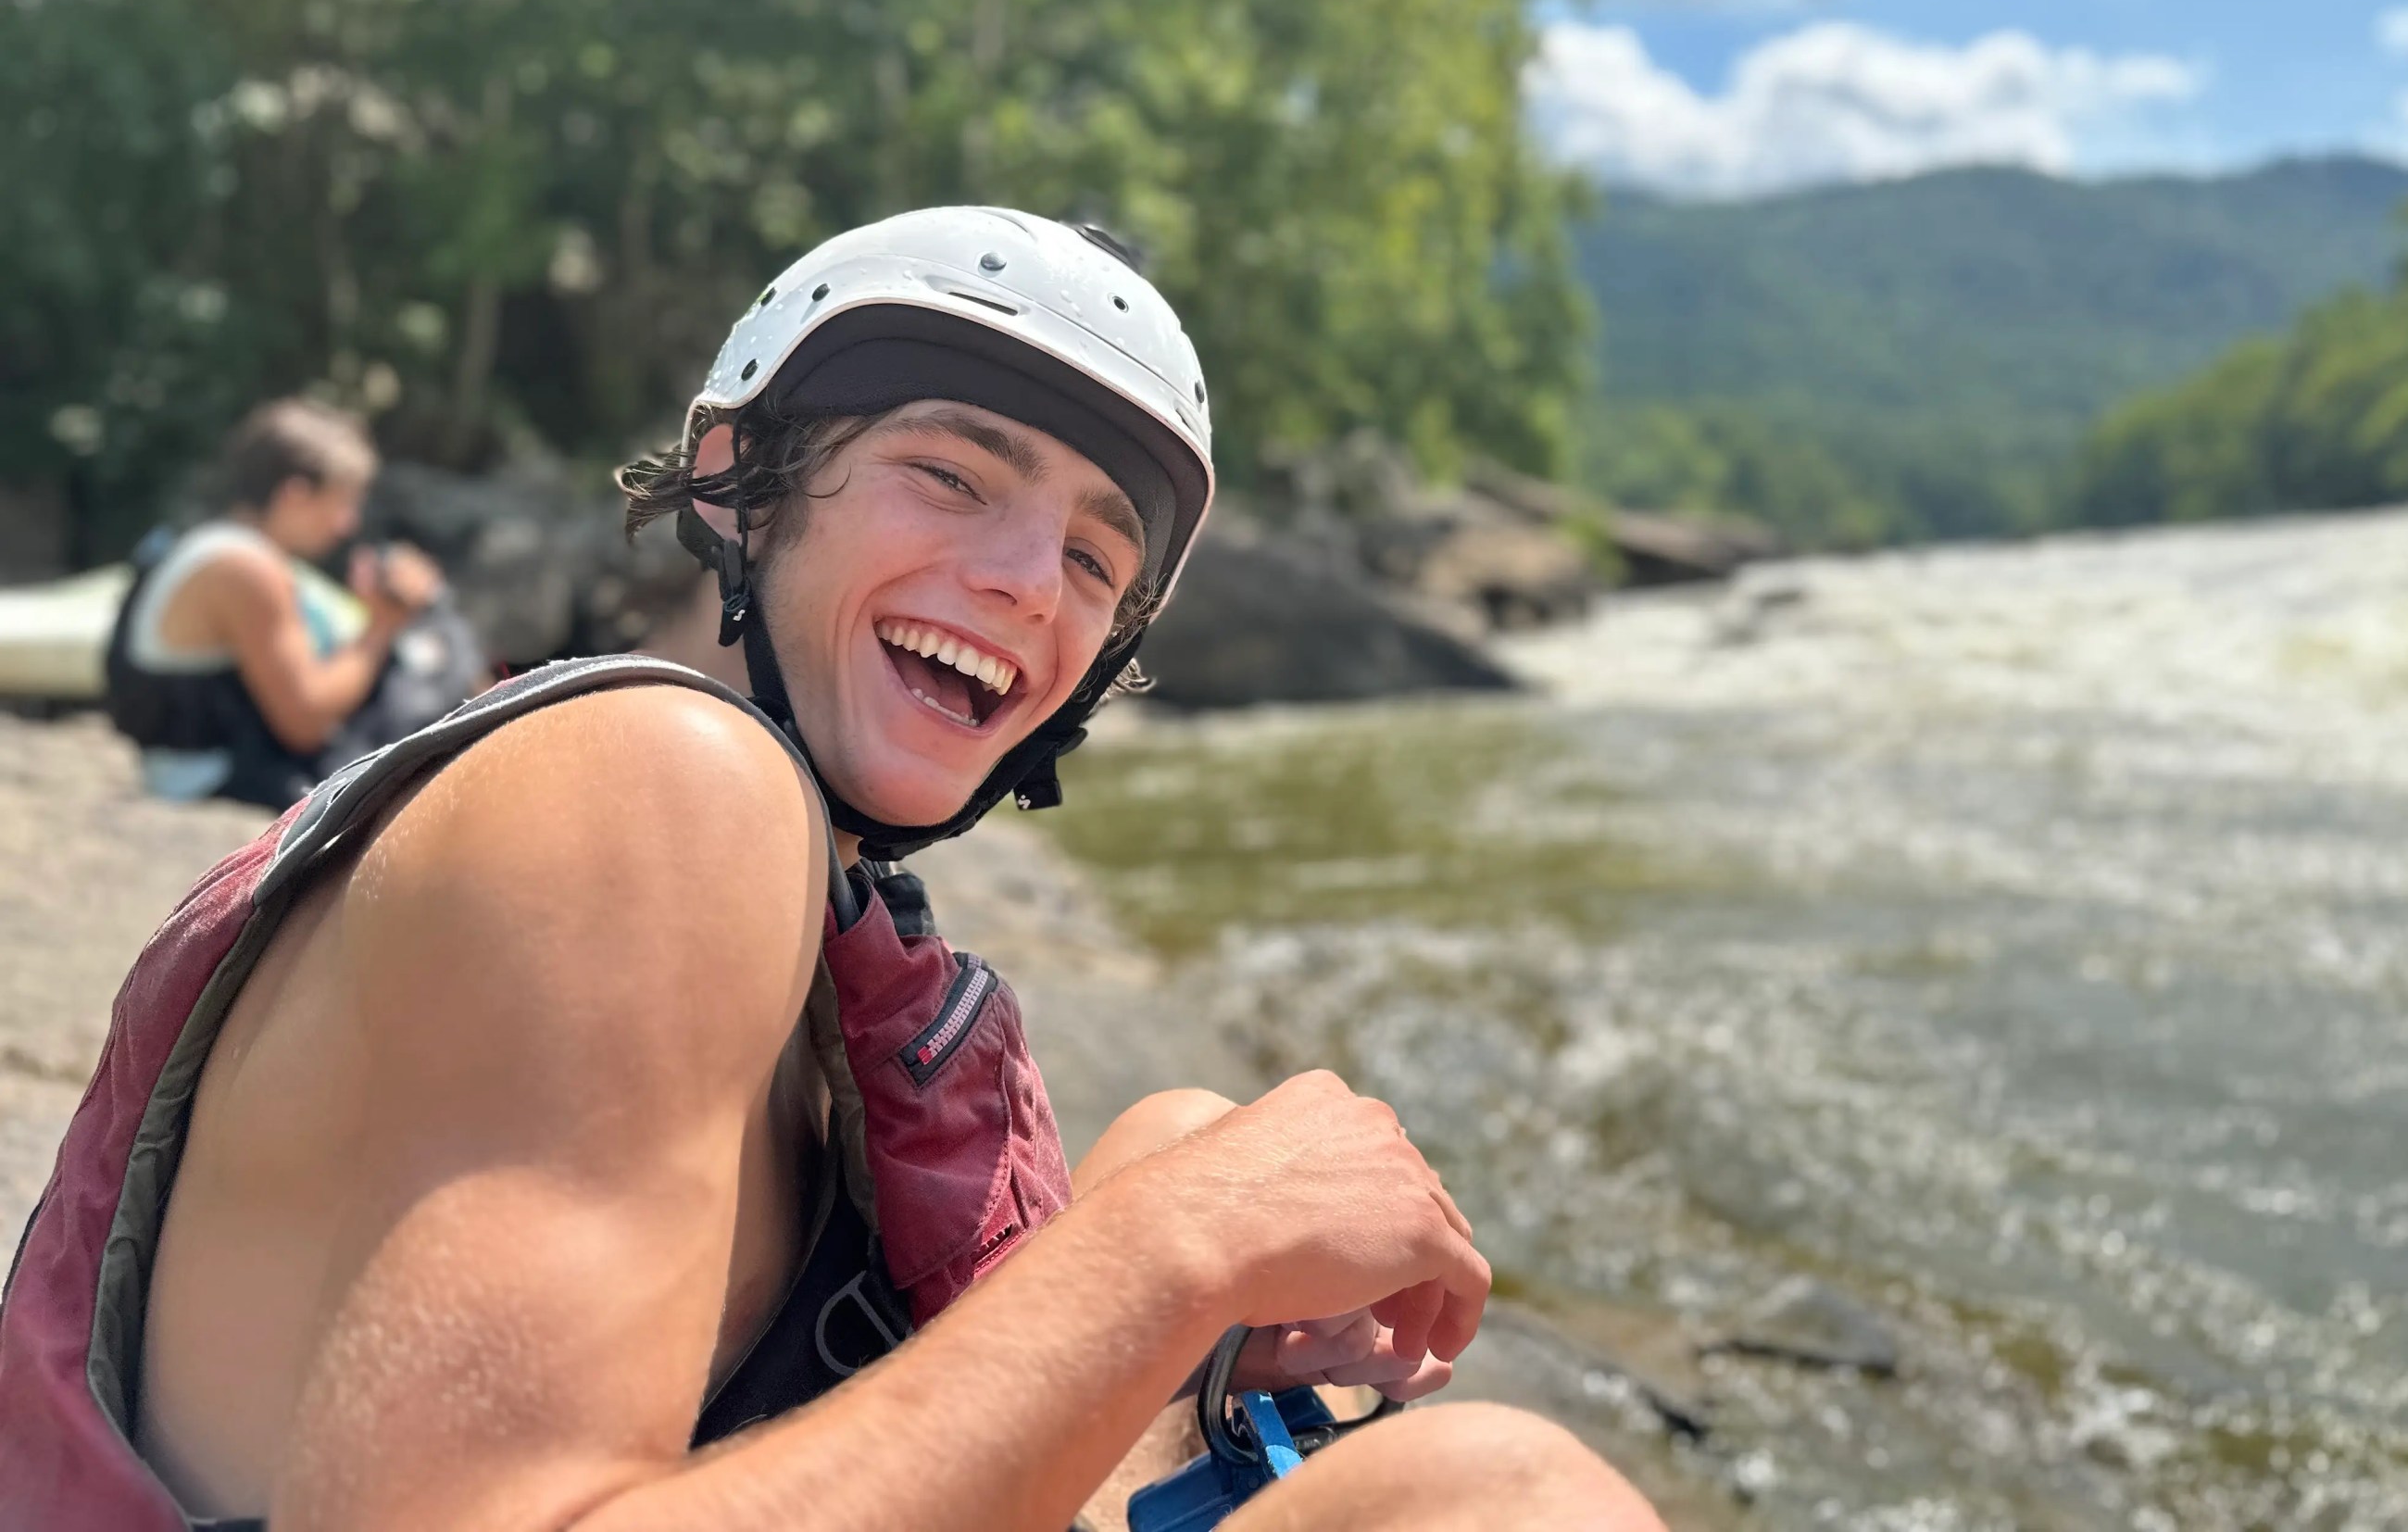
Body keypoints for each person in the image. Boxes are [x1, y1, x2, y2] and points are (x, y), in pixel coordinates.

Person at [0, 210, 1662, 1531]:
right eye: (952, 474)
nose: (1027, 582)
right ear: (737, 477)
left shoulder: (759, 875)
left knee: (1176, 1135)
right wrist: (1170, 1253)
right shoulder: (658, 792)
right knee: (1505, 1493)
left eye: (1095, 555)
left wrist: (1178, 1279)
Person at [102, 397, 481, 809]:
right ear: (294, 495)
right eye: (343, 502)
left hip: (203, 765)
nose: (347, 525)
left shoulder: (212, 544)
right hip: (209, 776)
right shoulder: (245, 568)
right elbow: (306, 720)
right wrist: (383, 626)